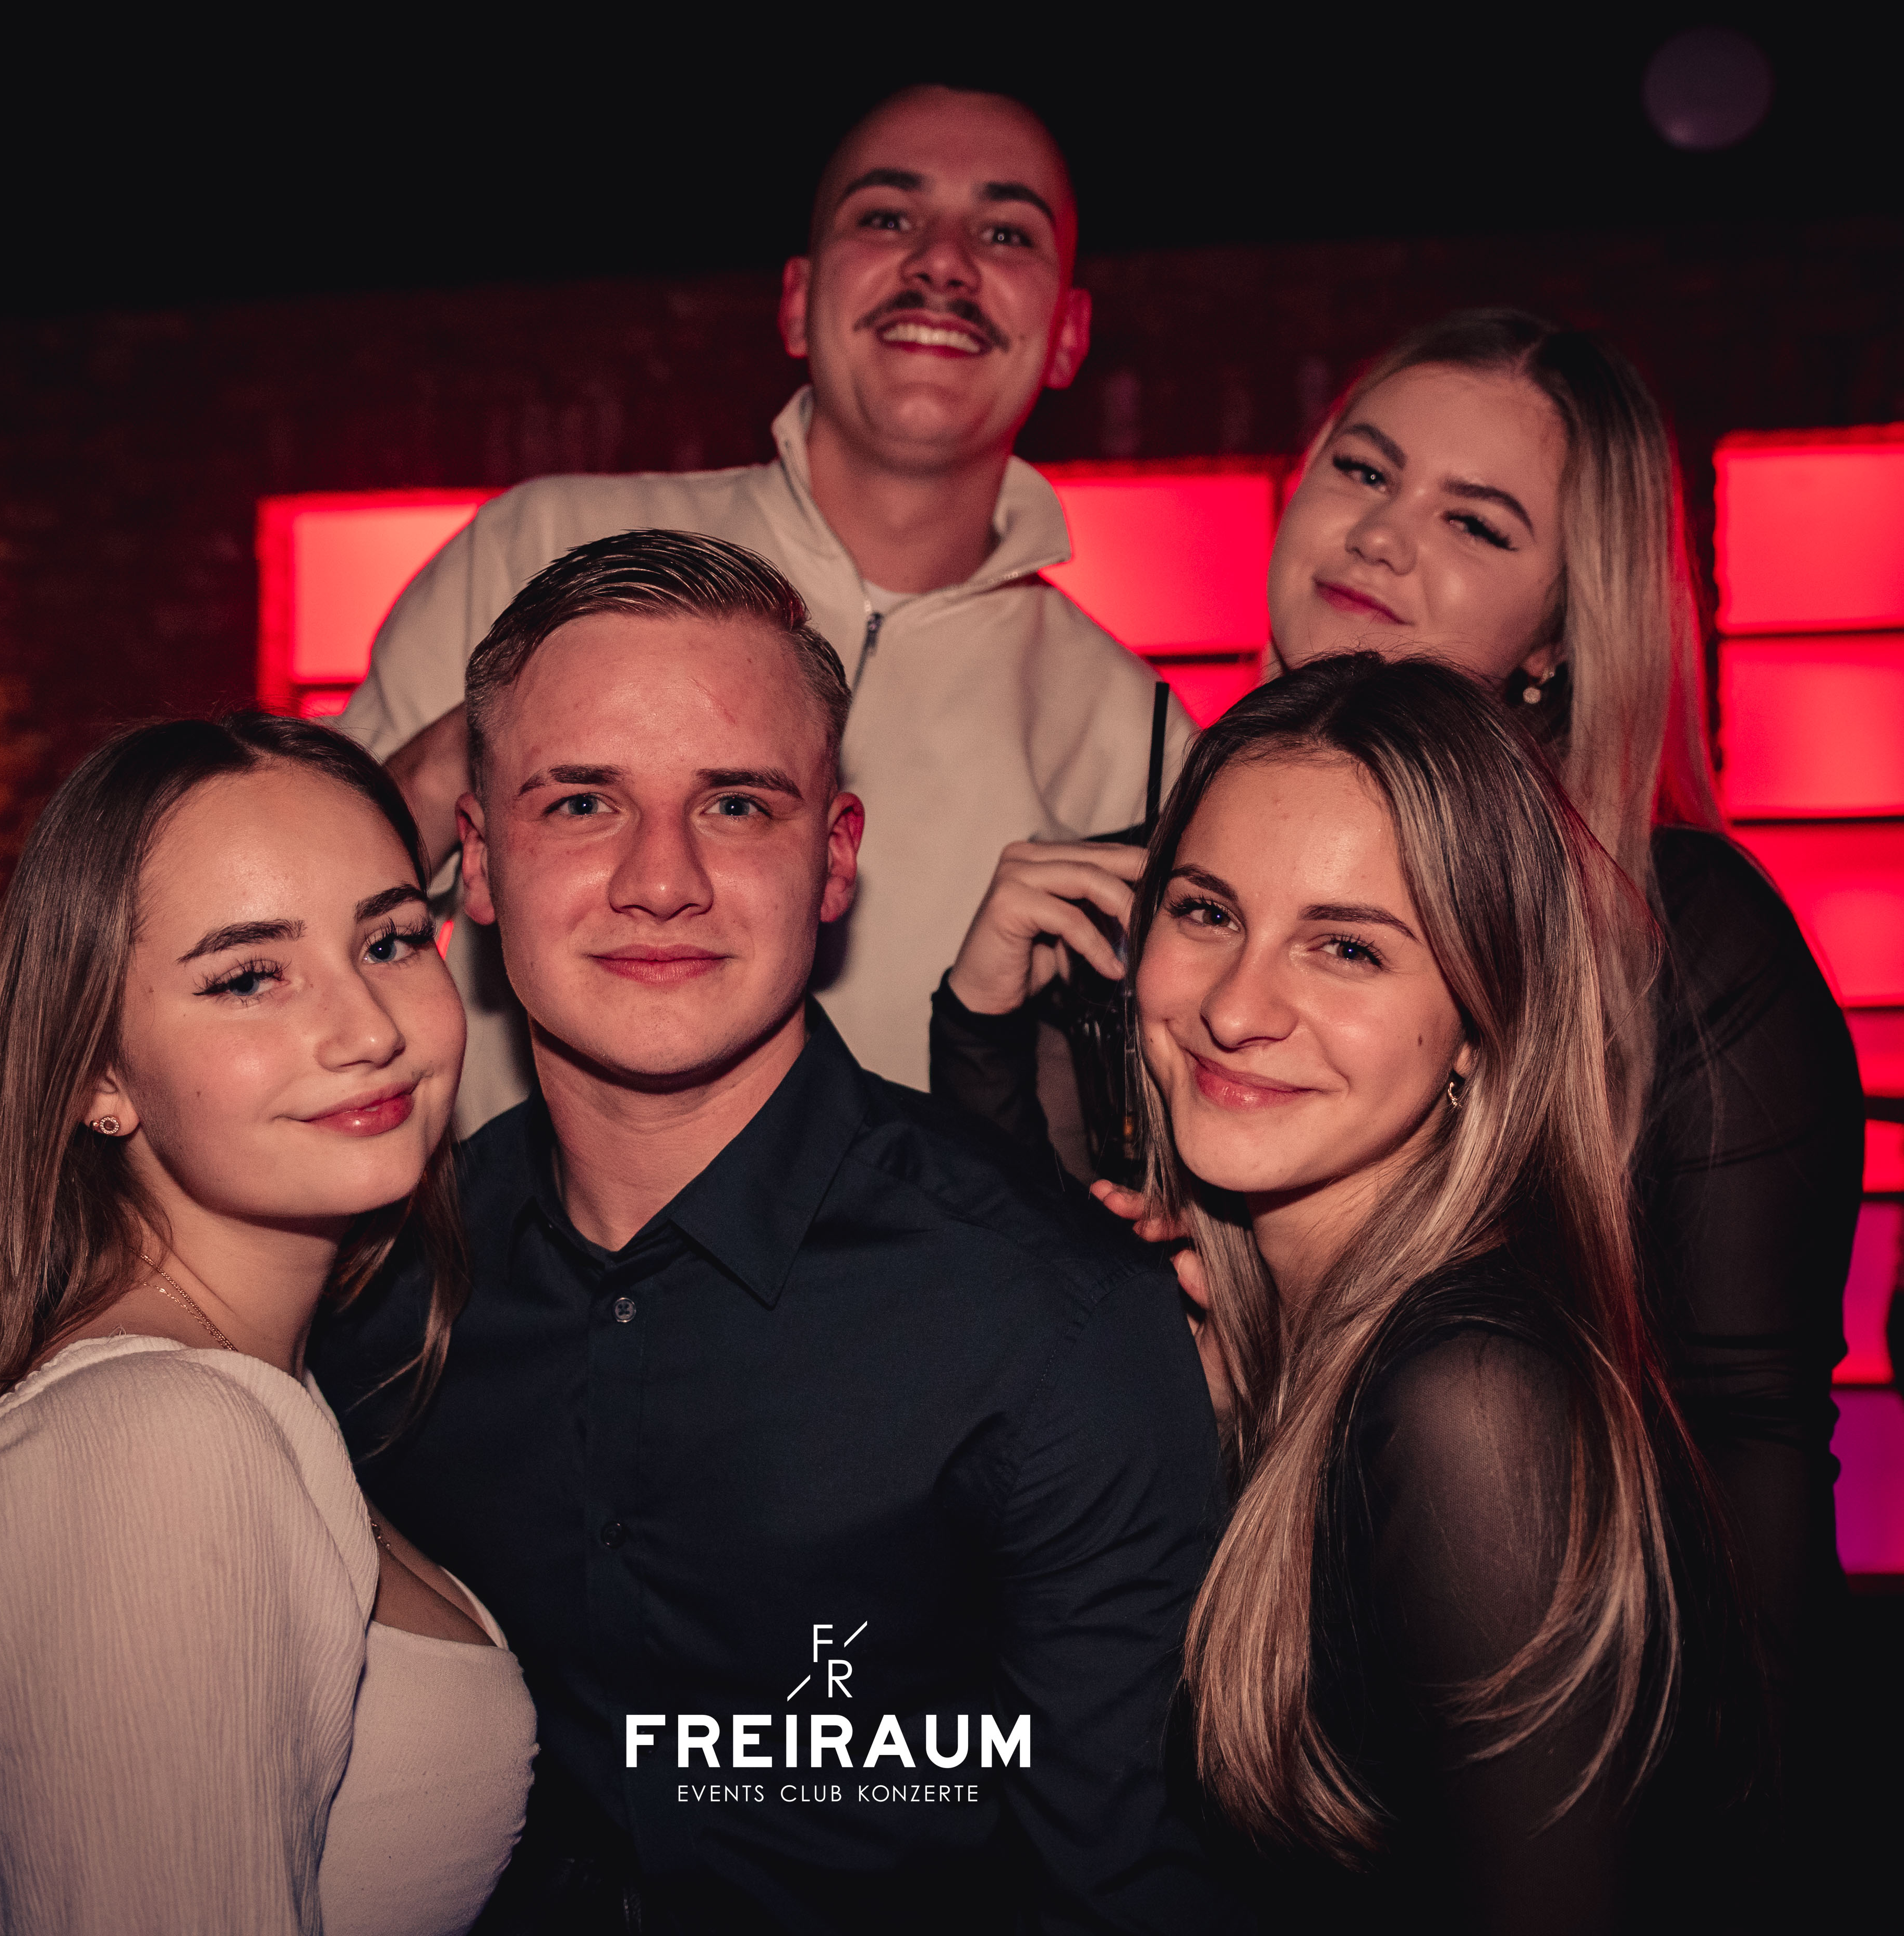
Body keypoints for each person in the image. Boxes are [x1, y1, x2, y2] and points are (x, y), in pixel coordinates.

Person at [933, 310, 1861, 1789]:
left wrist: (1763, 1824)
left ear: (1563, 630)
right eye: (1363, 471)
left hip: (1576, 1718)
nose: (1380, 534)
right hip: (1218, 1692)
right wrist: (982, 1023)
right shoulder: (1157, 900)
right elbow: (1029, 1338)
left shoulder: (1677, 933)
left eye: (1475, 522)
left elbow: (1752, 1438)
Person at [310, 530, 1237, 1931]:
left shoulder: (1047, 1322)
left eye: (735, 804)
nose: (660, 878)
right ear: (479, 862)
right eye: (582, 803)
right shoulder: (375, 1291)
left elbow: (1135, 1896)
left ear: (834, 858)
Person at [0, 716, 535, 1935]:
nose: (368, 1028)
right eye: (248, 975)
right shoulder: (159, 1440)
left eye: (389, 939)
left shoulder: (262, 1379)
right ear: (97, 1075)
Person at [344, 81, 1188, 1130]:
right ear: (795, 302)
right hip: (505, 1235)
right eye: (887, 217)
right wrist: (480, 741)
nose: (942, 262)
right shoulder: (533, 546)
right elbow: (298, 910)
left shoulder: (1138, 737)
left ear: (1067, 336)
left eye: (1006, 232)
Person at [1123, 651, 1722, 1928]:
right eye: (1206, 911)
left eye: (1346, 947)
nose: (1235, 1006)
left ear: (1481, 1016)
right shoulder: (1298, 1342)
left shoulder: (1473, 1400)